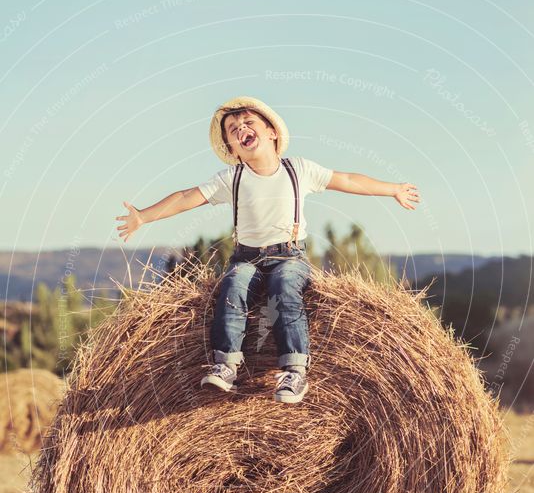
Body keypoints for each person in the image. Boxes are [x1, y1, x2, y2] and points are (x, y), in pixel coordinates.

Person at [116, 96, 419, 404]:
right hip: (245, 257)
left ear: (272, 132)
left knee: (285, 286)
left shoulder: (299, 169)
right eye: (232, 129)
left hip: (290, 256)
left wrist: (392, 189)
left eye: (248, 123)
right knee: (232, 286)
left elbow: (348, 179)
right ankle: (226, 365)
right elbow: (185, 197)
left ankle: (294, 371)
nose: (240, 129)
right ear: (232, 149)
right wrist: (143, 216)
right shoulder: (231, 178)